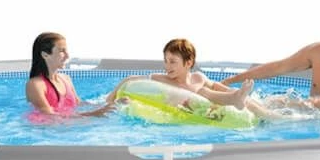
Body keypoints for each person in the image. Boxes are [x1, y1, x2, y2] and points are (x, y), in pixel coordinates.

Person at [215, 0, 320, 111]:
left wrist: (296, 106)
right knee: (272, 103)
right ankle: (229, 96)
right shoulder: (319, 51)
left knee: (272, 108)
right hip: (313, 116)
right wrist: (231, 80)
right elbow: (278, 67)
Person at [106, 38, 283, 120]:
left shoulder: (198, 77)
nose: (167, 66)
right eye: (166, 61)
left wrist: (237, 92)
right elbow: (130, 79)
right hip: (188, 110)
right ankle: (236, 99)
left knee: (213, 91)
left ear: (188, 63)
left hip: (213, 106)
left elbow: (218, 87)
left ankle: (268, 114)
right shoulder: (161, 80)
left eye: (173, 62)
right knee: (203, 92)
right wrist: (110, 99)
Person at [26, 32, 113, 118]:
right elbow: (49, 116)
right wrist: (92, 114)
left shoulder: (66, 79)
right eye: (61, 51)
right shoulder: (35, 85)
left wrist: (108, 105)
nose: (67, 56)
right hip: (48, 126)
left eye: (66, 51)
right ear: (45, 55)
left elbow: (78, 103)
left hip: (69, 124)